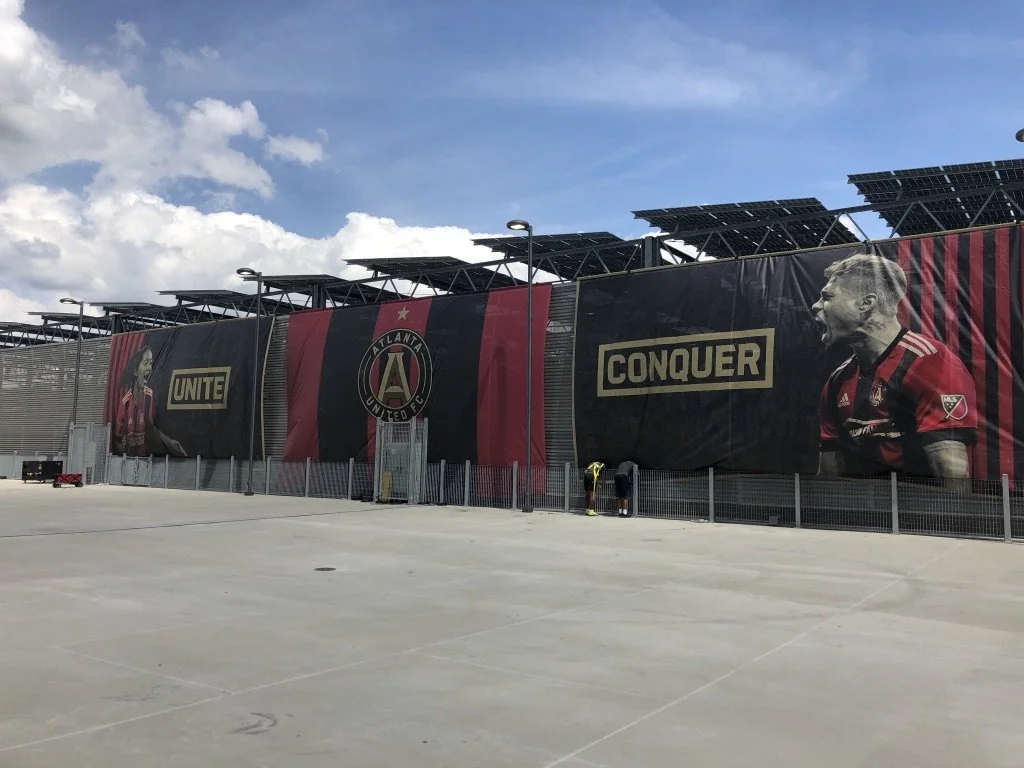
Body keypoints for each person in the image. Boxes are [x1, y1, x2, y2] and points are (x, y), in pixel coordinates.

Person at [810, 250, 977, 491]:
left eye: (827, 296)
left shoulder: (929, 362)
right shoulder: (838, 381)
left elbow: (953, 477)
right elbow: (827, 475)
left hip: (925, 519)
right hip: (865, 517)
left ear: (866, 303)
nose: (816, 306)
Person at [112, 346, 186, 457]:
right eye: (146, 363)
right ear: (136, 371)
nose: (149, 368)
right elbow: (117, 439)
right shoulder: (125, 402)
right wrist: (122, 451)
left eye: (151, 364)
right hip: (129, 463)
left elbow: (152, 427)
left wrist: (170, 443)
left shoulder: (149, 396)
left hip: (147, 461)